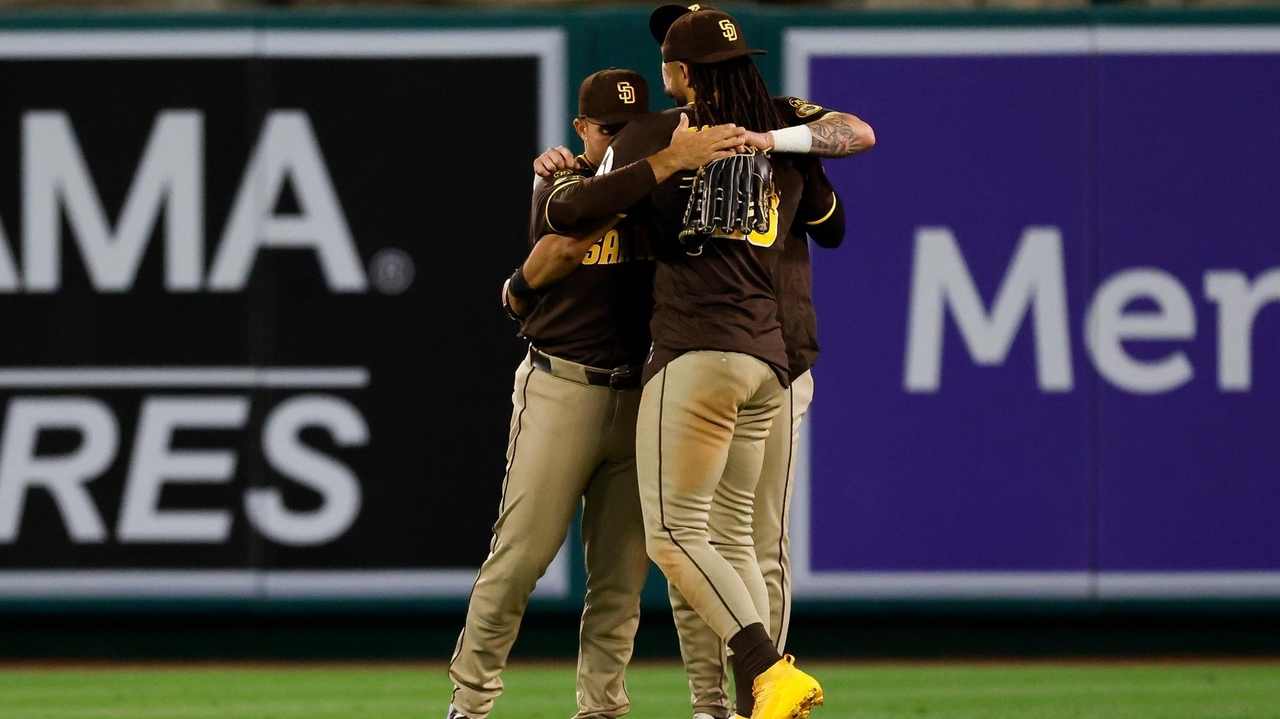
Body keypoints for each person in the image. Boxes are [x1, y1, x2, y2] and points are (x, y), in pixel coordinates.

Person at [447, 68, 744, 719]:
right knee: (521, 555)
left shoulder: (663, 184)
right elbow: (558, 241)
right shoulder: (564, 179)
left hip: (643, 394)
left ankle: (602, 709)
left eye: (632, 128)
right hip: (564, 386)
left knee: (620, 579)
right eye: (607, 128)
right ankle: (469, 702)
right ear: (581, 129)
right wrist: (519, 288)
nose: (619, 138)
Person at [642, 7, 870, 719]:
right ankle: (733, 699)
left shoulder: (683, 134)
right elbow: (833, 217)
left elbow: (853, 143)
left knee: (710, 535)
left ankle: (764, 682)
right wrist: (790, 155)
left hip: (739, 347)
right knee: (730, 537)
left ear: (683, 69)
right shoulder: (777, 129)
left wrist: (776, 140)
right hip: (767, 353)